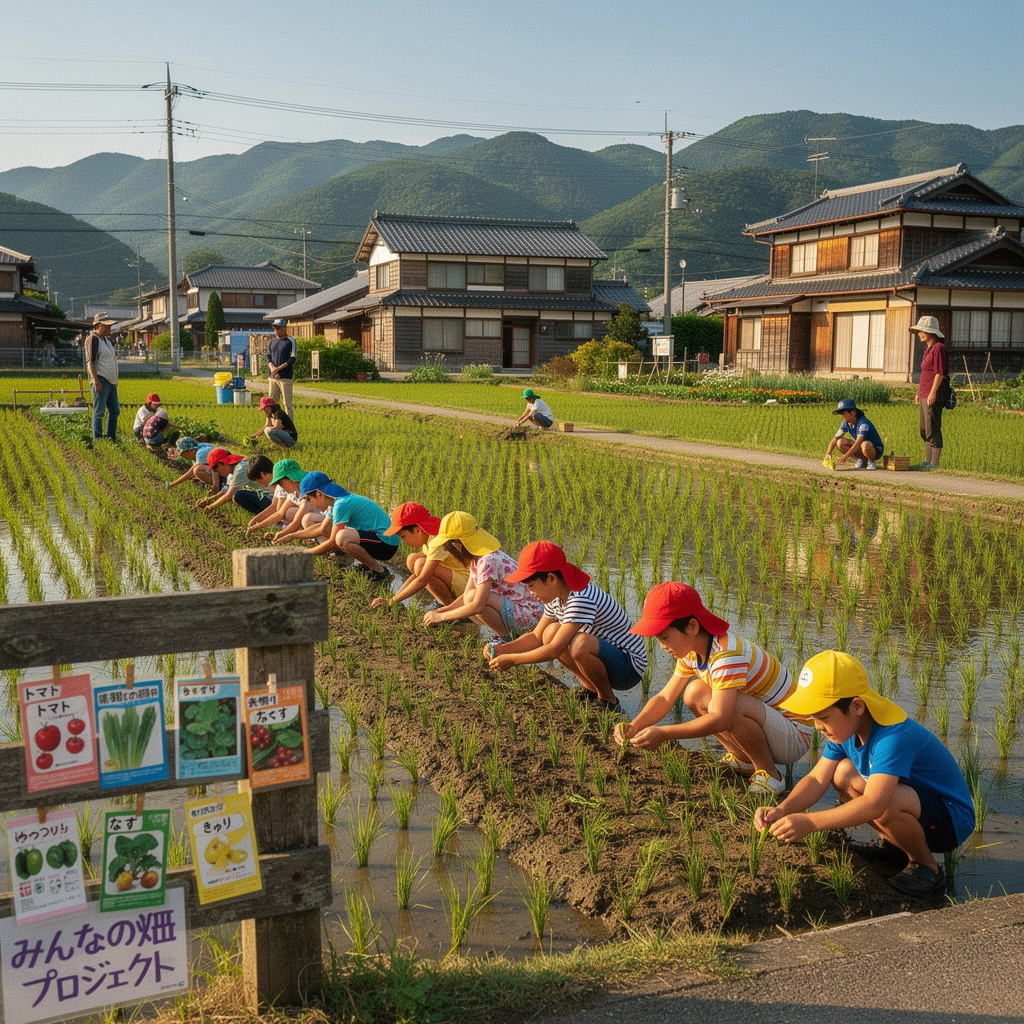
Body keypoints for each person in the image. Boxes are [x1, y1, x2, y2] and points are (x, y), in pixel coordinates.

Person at [755, 650, 974, 897]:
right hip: (918, 806)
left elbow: (874, 803)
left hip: (951, 821)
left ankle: (927, 868)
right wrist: (783, 809)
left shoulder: (893, 738)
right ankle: (894, 847)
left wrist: (811, 822)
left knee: (884, 801)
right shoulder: (844, 731)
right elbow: (817, 778)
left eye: (824, 717)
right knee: (843, 774)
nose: (817, 726)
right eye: (814, 717)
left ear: (857, 706)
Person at [614, 582, 812, 798]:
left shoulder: (727, 655)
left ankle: (770, 775)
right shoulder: (692, 652)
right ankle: (743, 759)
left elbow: (721, 719)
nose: (661, 645)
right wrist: (635, 725)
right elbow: (664, 697)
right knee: (695, 692)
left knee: (729, 707)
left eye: (664, 637)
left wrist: (664, 733)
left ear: (692, 627)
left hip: (795, 735)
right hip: (770, 725)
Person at [487, 541, 647, 712]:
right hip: (607, 656)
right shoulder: (556, 597)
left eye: (531, 586)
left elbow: (554, 650)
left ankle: (608, 700)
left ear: (551, 579)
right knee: (550, 632)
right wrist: (503, 649)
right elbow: (536, 637)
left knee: (581, 643)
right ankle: (590, 689)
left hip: (629, 666)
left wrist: (512, 660)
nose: (531, 592)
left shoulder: (580, 598)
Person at [421, 512, 543, 642]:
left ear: (457, 545)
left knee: (474, 598)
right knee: (470, 595)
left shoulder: (488, 561)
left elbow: (477, 605)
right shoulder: (477, 560)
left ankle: (505, 638)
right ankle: (506, 636)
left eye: (447, 548)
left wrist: (442, 617)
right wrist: (442, 610)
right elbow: (466, 595)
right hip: (521, 611)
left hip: (531, 616)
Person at [279, 473, 399, 581]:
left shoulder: (342, 504)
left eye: (309, 499)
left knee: (342, 537)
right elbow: (322, 529)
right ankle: (366, 566)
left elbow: (332, 542)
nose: (310, 504)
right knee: (341, 536)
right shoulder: (335, 504)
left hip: (387, 543)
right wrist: (291, 536)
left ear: (318, 494)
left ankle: (379, 571)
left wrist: (305, 553)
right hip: (376, 539)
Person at [370, 502, 471, 612]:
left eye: (404, 536)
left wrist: (392, 601)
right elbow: (417, 576)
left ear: (418, 530)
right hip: (459, 582)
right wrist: (392, 599)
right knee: (413, 560)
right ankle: (443, 602)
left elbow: (422, 579)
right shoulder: (429, 538)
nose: (404, 541)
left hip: (468, 588)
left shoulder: (436, 541)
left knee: (420, 564)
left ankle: (452, 609)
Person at [912, 315, 949, 470]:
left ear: (930, 332)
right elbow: (925, 374)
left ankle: (934, 463)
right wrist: (919, 393)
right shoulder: (928, 349)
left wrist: (932, 393)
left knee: (933, 427)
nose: (919, 333)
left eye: (922, 330)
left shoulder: (939, 348)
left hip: (932, 394)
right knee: (924, 428)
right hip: (924, 393)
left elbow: (939, 373)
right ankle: (927, 461)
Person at [198, 448, 274, 515]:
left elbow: (229, 495)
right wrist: (209, 500)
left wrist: (211, 507)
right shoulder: (234, 470)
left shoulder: (241, 468)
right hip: (270, 498)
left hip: (271, 499)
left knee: (238, 495)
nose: (216, 472)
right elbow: (226, 490)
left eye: (215, 469)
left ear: (222, 463)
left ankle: (267, 516)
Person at [245, 458, 308, 535]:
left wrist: (285, 534)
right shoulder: (293, 493)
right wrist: (256, 526)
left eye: (281, 484)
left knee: (296, 515)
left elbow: (296, 522)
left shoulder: (308, 493)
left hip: (319, 521)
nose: (281, 487)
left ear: (291, 479)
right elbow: (279, 513)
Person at [85, 312, 120, 441]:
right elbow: (90, 362)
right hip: (101, 380)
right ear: (98, 325)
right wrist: (96, 381)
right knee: (99, 412)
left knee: (115, 410)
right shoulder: (92, 339)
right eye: (107, 325)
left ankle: (111, 437)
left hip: (111, 382)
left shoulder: (106, 340)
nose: (109, 328)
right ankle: (98, 439)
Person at [824, 398, 884, 470]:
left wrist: (845, 457)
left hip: (875, 449)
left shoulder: (863, 423)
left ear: (853, 412)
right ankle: (862, 459)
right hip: (861, 446)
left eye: (844, 413)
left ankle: (871, 460)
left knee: (865, 444)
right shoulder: (845, 423)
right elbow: (835, 439)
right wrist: (828, 453)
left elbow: (858, 442)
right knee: (840, 442)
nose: (842, 416)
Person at [266, 319, 297, 418]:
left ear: (284, 328)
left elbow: (292, 359)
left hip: (285, 377)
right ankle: (273, 423)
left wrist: (278, 369)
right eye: (275, 328)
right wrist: (273, 370)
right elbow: (268, 357)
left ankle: (290, 427)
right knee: (272, 403)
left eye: (278, 328)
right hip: (273, 377)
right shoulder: (272, 341)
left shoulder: (291, 341)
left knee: (287, 403)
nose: (276, 330)